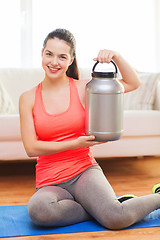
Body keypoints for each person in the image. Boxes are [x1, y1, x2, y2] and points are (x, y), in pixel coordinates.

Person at [19, 28, 160, 230]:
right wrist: (74, 143)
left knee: (115, 219)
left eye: (62, 56)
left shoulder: (85, 88)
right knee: (39, 211)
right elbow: (31, 148)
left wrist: (116, 56)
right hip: (50, 179)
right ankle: (102, 207)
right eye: (49, 54)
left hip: (83, 170)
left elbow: (132, 83)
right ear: (42, 54)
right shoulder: (28, 98)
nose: (54, 62)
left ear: (71, 60)